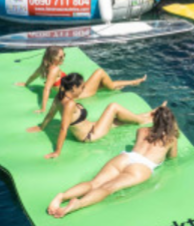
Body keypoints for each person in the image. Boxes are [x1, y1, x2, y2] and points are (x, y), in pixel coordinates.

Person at [47, 105, 179, 218]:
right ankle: (78, 204)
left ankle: (62, 196)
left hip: (125, 158)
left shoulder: (141, 131)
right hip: (142, 167)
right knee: (108, 188)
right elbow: (172, 158)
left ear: (154, 118)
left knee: (94, 183)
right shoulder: (171, 139)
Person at [28, 72, 162, 159]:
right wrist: (57, 151)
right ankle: (144, 120)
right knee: (113, 107)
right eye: (81, 87)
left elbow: (50, 115)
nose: (83, 89)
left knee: (121, 118)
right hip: (90, 135)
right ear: (73, 88)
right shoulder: (69, 105)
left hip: (92, 127)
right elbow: (63, 128)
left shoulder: (60, 97)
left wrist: (41, 127)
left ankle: (150, 114)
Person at [17, 47, 147, 113]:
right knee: (101, 73)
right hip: (80, 93)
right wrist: (43, 108)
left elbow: (34, 76)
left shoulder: (45, 67)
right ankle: (133, 82)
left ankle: (129, 83)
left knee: (105, 83)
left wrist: (26, 84)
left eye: (64, 56)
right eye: (61, 57)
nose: (63, 59)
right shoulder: (54, 70)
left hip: (76, 88)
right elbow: (46, 88)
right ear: (53, 58)